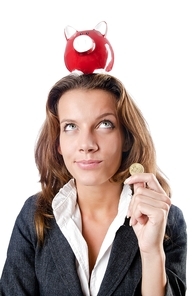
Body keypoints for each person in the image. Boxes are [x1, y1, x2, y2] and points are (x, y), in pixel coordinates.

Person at [0, 73, 187, 296]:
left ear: (127, 137)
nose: (86, 144)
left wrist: (151, 252)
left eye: (104, 124)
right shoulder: (35, 215)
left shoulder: (165, 219)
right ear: (58, 142)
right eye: (70, 126)